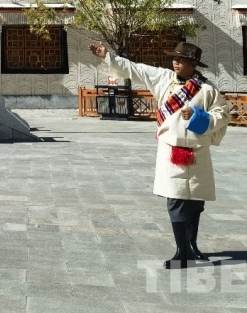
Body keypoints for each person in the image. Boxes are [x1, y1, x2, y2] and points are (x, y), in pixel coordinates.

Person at [88, 41, 230, 269]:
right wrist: (108, 56)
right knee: (175, 200)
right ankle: (182, 251)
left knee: (195, 201)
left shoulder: (207, 89)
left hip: (197, 151)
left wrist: (198, 116)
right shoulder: (164, 78)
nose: (176, 62)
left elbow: (222, 115)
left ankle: (192, 245)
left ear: (193, 64)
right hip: (171, 149)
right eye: (174, 58)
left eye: (181, 59)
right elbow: (136, 69)